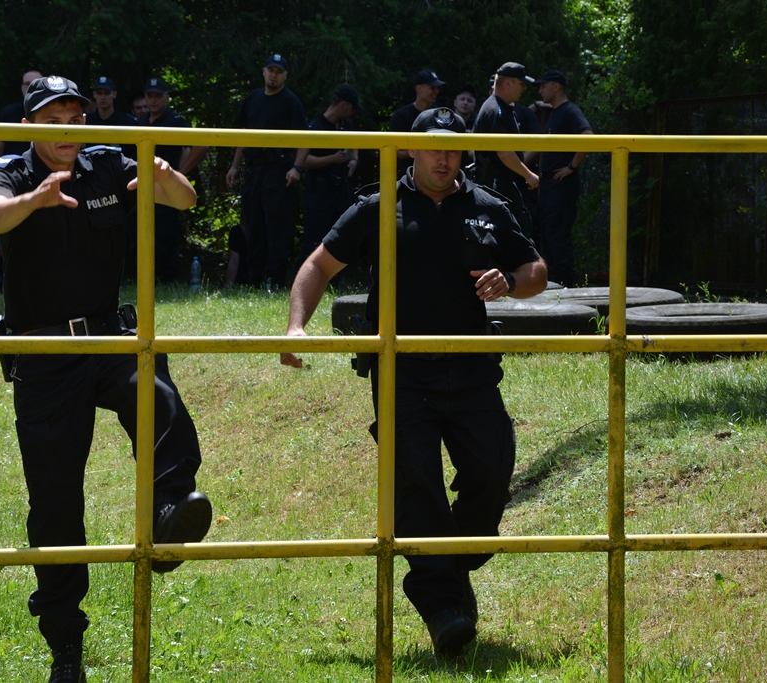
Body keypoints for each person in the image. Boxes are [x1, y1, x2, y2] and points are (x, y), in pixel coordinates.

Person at [0, 75, 213, 683]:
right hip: (45, 352)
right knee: (56, 503)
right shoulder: (11, 171)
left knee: (157, 396)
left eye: (74, 121)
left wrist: (164, 176)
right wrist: (34, 201)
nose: (66, 132)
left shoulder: (106, 162)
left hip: (109, 338)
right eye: (52, 123)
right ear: (28, 126)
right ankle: (65, 648)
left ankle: (168, 511)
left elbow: (185, 200)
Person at [280, 107, 546, 656]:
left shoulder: (489, 207)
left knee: (491, 471)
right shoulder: (378, 208)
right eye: (432, 147)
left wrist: (511, 282)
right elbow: (318, 266)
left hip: (471, 369)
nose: (443, 158)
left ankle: (455, 560)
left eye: (452, 149)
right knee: (416, 486)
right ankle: (443, 606)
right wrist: (295, 326)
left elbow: (536, 270)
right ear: (410, 149)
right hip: (402, 372)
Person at [225, 54, 309, 289]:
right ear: (263, 71)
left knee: (277, 228)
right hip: (255, 171)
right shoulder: (253, 98)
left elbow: (306, 138)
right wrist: (234, 166)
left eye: (279, 71)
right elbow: (243, 135)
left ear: (285, 75)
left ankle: (276, 281)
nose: (274, 75)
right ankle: (255, 281)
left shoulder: (290, 101)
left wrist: (296, 168)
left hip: (279, 171)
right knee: (253, 227)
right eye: (270, 70)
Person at [138, 76, 206, 282]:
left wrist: (179, 174)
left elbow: (201, 145)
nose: (153, 100)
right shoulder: (141, 121)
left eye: (157, 96)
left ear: (167, 97)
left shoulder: (175, 122)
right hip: (142, 188)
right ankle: (142, 278)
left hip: (166, 189)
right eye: (150, 96)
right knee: (140, 235)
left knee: (165, 236)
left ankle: (167, 281)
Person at [534, 69, 593, 286]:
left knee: (557, 235)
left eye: (543, 86)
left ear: (556, 86)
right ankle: (554, 283)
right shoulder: (554, 113)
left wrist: (571, 166)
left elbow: (588, 136)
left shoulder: (569, 111)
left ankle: (565, 285)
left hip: (561, 185)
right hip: (549, 185)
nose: (540, 91)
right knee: (548, 234)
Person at [295, 84, 362, 272]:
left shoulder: (347, 125)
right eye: (352, 108)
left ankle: (337, 280)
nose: (353, 113)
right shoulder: (315, 127)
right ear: (343, 105)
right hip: (320, 191)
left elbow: (355, 142)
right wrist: (331, 159)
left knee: (343, 235)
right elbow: (304, 160)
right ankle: (305, 276)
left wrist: (354, 159)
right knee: (314, 238)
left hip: (341, 190)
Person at [471, 63, 540, 239]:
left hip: (499, 183)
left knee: (513, 232)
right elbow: (504, 152)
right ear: (508, 83)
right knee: (510, 234)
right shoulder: (496, 110)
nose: (524, 88)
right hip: (494, 184)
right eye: (521, 83)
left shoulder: (502, 108)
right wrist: (528, 175)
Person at [388, 69, 444, 176]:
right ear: (419, 89)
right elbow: (399, 152)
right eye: (432, 87)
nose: (436, 91)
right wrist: (428, 150)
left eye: (437, 88)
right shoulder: (401, 116)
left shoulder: (440, 115)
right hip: (408, 177)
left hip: (436, 175)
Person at [0, 70, 43, 161]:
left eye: (36, 84)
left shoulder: (56, 114)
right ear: (22, 88)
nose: (31, 88)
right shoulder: (8, 113)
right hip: (13, 167)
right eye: (27, 84)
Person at [87, 76, 139, 160]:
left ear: (114, 94)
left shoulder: (127, 123)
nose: (103, 97)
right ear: (94, 95)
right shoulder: (86, 122)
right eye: (99, 93)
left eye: (107, 93)